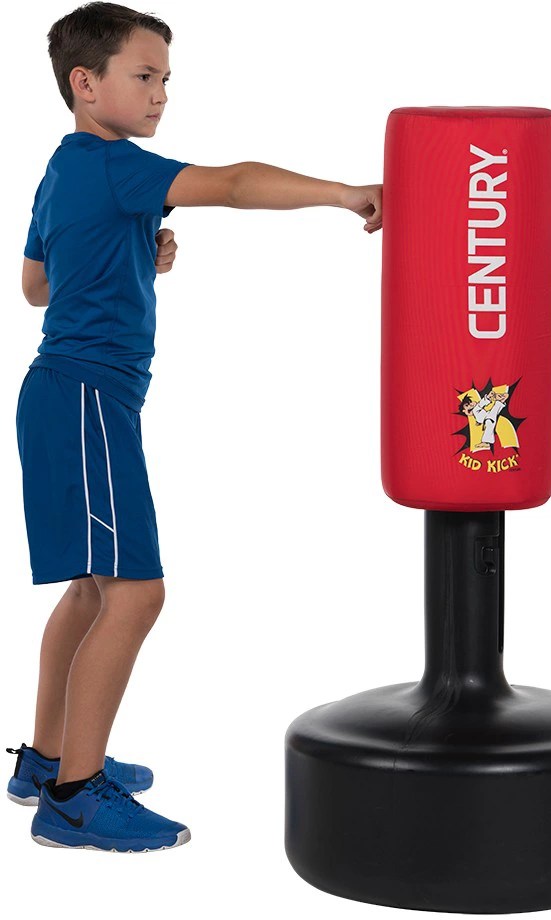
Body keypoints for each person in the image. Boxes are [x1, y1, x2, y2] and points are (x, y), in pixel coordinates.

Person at [8, 1, 382, 854]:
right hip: (86, 399)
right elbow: (236, 184)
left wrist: (131, 254)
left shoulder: (62, 168)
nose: (161, 94)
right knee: (136, 593)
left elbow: (37, 286)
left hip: (64, 396)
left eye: (167, 79)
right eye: (144, 76)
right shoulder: (117, 165)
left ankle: (48, 760)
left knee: (91, 589)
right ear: (85, 83)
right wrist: (343, 194)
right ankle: (74, 799)